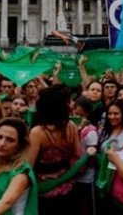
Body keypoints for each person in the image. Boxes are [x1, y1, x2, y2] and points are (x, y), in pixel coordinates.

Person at [28, 84, 81, 214]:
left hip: (44, 193)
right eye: (69, 101)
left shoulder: (37, 133)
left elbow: (28, 166)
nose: (72, 103)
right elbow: (77, 154)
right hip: (68, 188)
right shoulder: (71, 126)